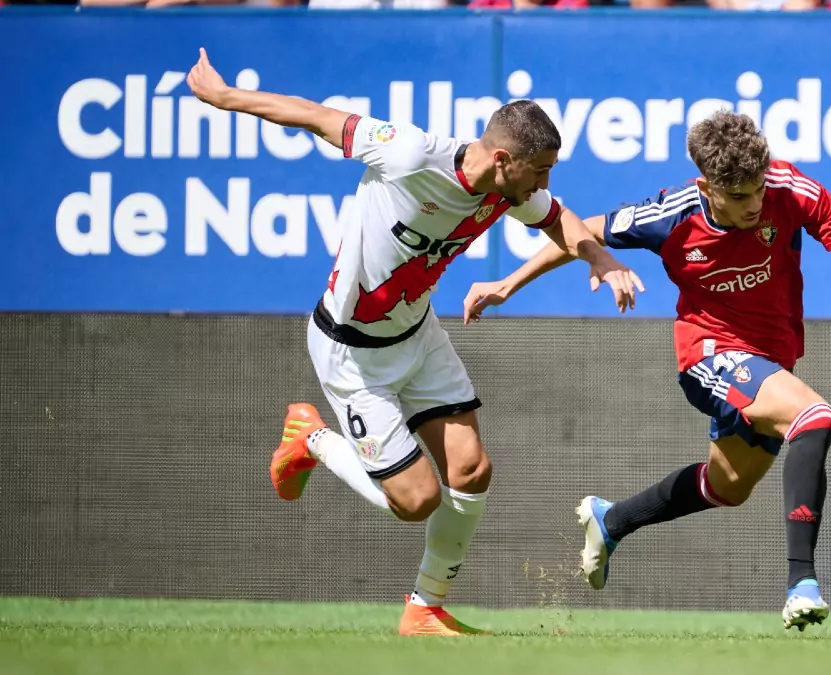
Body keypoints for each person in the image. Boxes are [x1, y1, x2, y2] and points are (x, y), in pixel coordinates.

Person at [185, 48, 642, 636]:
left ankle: (424, 610)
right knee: (415, 500)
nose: (544, 183)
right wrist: (226, 98)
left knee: (472, 470)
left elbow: (558, 218)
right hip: (352, 353)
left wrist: (600, 260)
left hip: (418, 336)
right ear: (503, 159)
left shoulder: (511, 188)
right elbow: (311, 114)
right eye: (540, 170)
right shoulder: (408, 152)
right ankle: (312, 439)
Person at [462, 110, 831, 631]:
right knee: (814, 415)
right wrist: (506, 284)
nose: (754, 205)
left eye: (757, 190)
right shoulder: (669, 214)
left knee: (728, 486)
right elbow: (576, 231)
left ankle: (612, 519)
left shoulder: (791, 189)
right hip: (709, 355)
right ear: (707, 186)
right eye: (738, 197)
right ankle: (802, 583)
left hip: (770, 360)